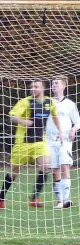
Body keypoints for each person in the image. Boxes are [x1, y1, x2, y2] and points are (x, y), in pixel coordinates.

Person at [0, 80, 64, 209]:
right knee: (14, 172)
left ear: (43, 88)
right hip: (23, 143)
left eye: (36, 86)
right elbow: (13, 117)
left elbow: (55, 116)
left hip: (40, 142)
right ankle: (1, 197)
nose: (33, 88)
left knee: (45, 165)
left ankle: (34, 197)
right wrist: (23, 121)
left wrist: (60, 131)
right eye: (31, 86)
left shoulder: (49, 102)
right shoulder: (25, 102)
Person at [47, 76, 79, 209]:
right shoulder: (47, 103)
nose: (53, 85)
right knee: (55, 169)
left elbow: (78, 121)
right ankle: (59, 201)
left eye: (56, 83)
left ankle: (66, 199)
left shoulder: (69, 104)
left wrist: (73, 129)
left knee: (65, 166)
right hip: (49, 140)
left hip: (65, 140)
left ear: (63, 86)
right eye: (52, 83)